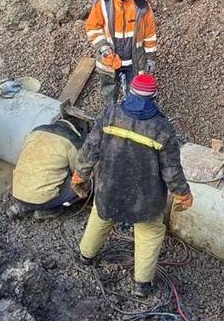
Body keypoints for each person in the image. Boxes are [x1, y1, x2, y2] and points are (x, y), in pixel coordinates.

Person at [71, 74, 193, 296]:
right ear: (154, 96)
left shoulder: (110, 114)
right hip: (145, 198)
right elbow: (171, 170)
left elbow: (90, 149)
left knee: (101, 215)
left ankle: (85, 255)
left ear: (130, 92)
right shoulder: (162, 128)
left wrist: (80, 175)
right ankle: (141, 285)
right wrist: (183, 194)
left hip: (109, 188)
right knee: (149, 232)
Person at [84, 0, 159, 103]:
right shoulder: (103, 4)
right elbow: (93, 27)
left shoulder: (142, 6)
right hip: (110, 59)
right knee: (109, 92)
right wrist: (103, 48)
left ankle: (131, 117)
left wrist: (150, 58)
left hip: (134, 61)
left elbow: (149, 34)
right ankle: (110, 112)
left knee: (134, 95)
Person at [8, 117, 90, 221]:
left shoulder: (36, 131)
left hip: (17, 191)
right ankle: (47, 211)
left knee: (40, 181)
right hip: (41, 198)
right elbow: (78, 170)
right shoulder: (71, 139)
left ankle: (21, 207)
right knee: (85, 182)